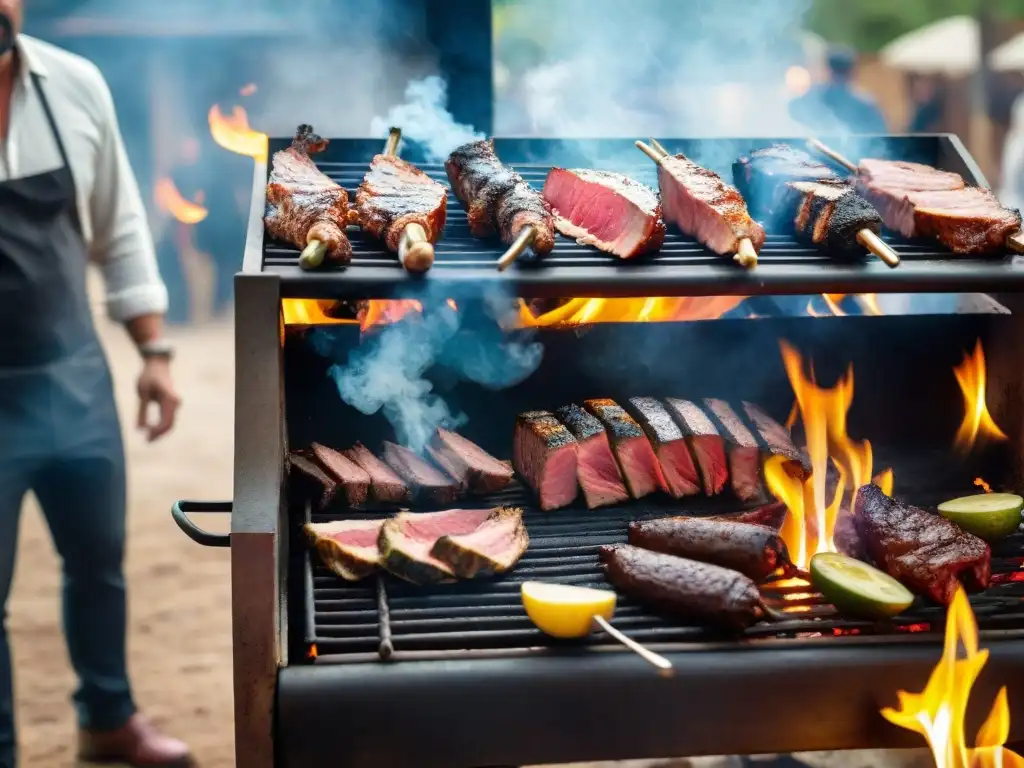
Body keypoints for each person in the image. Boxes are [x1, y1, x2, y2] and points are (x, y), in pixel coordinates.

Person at [0, 2, 190, 766]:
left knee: (99, 556)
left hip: (74, 374)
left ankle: (108, 722)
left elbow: (118, 225)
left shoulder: (73, 83)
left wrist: (154, 351)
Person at [789, 44, 888, 135]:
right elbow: (879, 134)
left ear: (827, 69)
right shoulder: (864, 101)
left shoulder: (811, 98)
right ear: (853, 70)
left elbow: (792, 117)